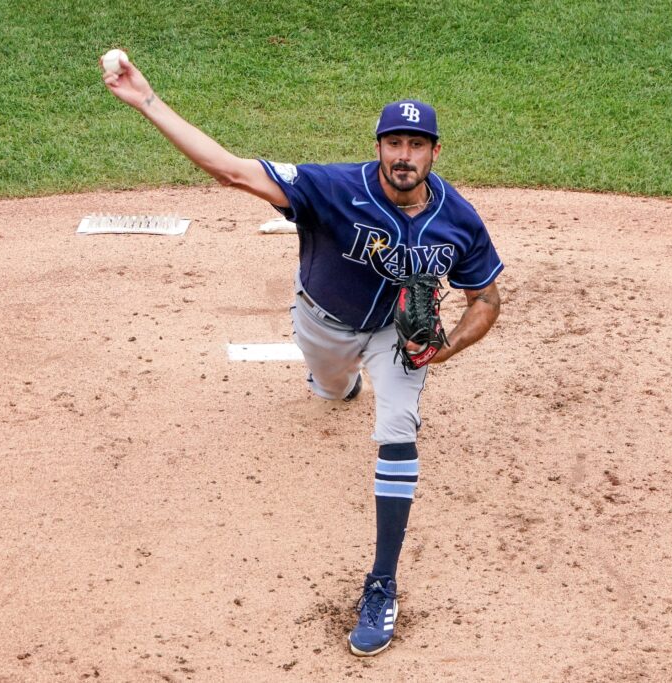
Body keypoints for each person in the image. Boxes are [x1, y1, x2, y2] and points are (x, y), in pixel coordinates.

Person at [102, 54, 503, 657]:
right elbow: (232, 171)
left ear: (435, 152)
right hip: (323, 323)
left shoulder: (459, 220)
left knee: (398, 427)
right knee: (333, 385)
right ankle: (340, 383)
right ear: (378, 146)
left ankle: (382, 583)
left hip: (395, 338)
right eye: (394, 143)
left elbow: (486, 299)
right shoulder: (332, 188)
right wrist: (147, 101)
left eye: (417, 145)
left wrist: (444, 350)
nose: (404, 156)